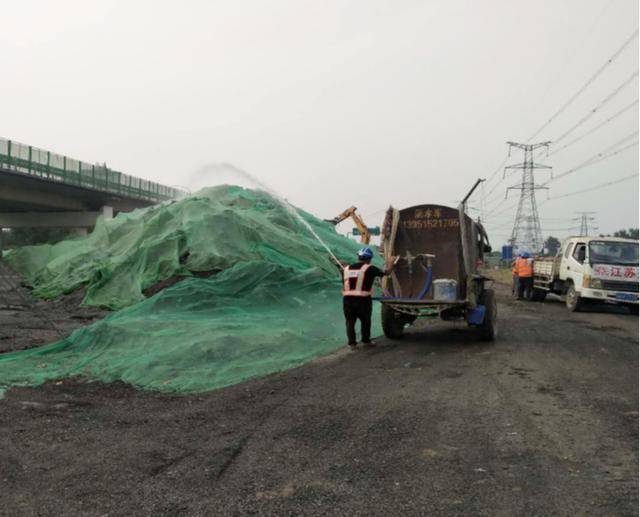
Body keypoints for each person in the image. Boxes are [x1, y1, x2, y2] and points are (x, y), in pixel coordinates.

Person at [341, 247, 396, 350]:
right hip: (363, 300)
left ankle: (352, 344)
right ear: (369, 258)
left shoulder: (347, 269)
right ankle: (366, 341)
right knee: (365, 321)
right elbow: (386, 273)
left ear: (358, 257)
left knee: (350, 322)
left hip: (347, 300)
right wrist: (391, 262)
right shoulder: (370, 268)